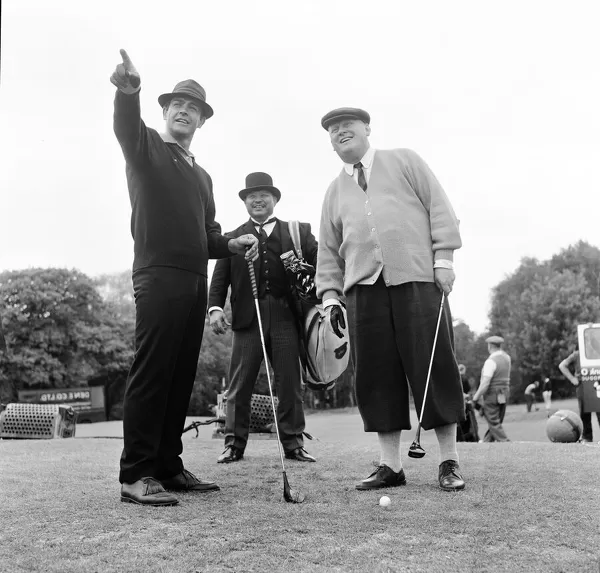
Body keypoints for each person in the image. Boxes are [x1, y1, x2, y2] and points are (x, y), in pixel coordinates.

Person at [110, 50, 259, 506]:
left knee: (179, 377)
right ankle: (136, 475)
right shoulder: (147, 146)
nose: (183, 110)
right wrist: (127, 92)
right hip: (158, 275)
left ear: (202, 120)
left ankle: (168, 467)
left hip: (195, 281)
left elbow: (208, 235)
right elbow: (125, 127)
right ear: (164, 111)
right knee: (153, 372)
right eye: (176, 104)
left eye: (192, 107)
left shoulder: (204, 176)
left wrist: (230, 243)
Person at [316, 107, 465, 492]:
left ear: (367, 128)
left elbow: (439, 206)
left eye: (347, 124)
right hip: (363, 291)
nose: (340, 131)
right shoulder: (334, 191)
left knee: (433, 369)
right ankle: (390, 466)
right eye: (332, 129)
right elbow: (328, 251)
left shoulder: (404, 161)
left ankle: (449, 462)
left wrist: (444, 259)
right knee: (376, 376)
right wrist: (331, 296)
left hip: (417, 278)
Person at [208, 172, 318, 464]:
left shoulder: (299, 232)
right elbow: (219, 281)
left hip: (285, 316)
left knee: (290, 384)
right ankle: (233, 445)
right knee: (239, 385)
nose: (257, 200)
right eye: (251, 196)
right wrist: (215, 308)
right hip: (247, 319)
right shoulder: (230, 238)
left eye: (263, 195)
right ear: (245, 201)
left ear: (274, 199)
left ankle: (293, 445)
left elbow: (323, 264)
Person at [472, 336, 511, 442]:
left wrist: (475, 398)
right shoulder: (507, 358)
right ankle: (486, 442)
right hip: (505, 392)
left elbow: (485, 383)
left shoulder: (491, 361)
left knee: (493, 421)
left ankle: (505, 442)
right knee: (497, 421)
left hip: (492, 394)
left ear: (490, 346)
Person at [558, 349, 600, 443]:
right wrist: (572, 379)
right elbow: (562, 365)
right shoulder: (577, 354)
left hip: (597, 383)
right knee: (584, 413)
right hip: (582, 384)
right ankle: (587, 437)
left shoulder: (596, 352)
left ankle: (587, 437)